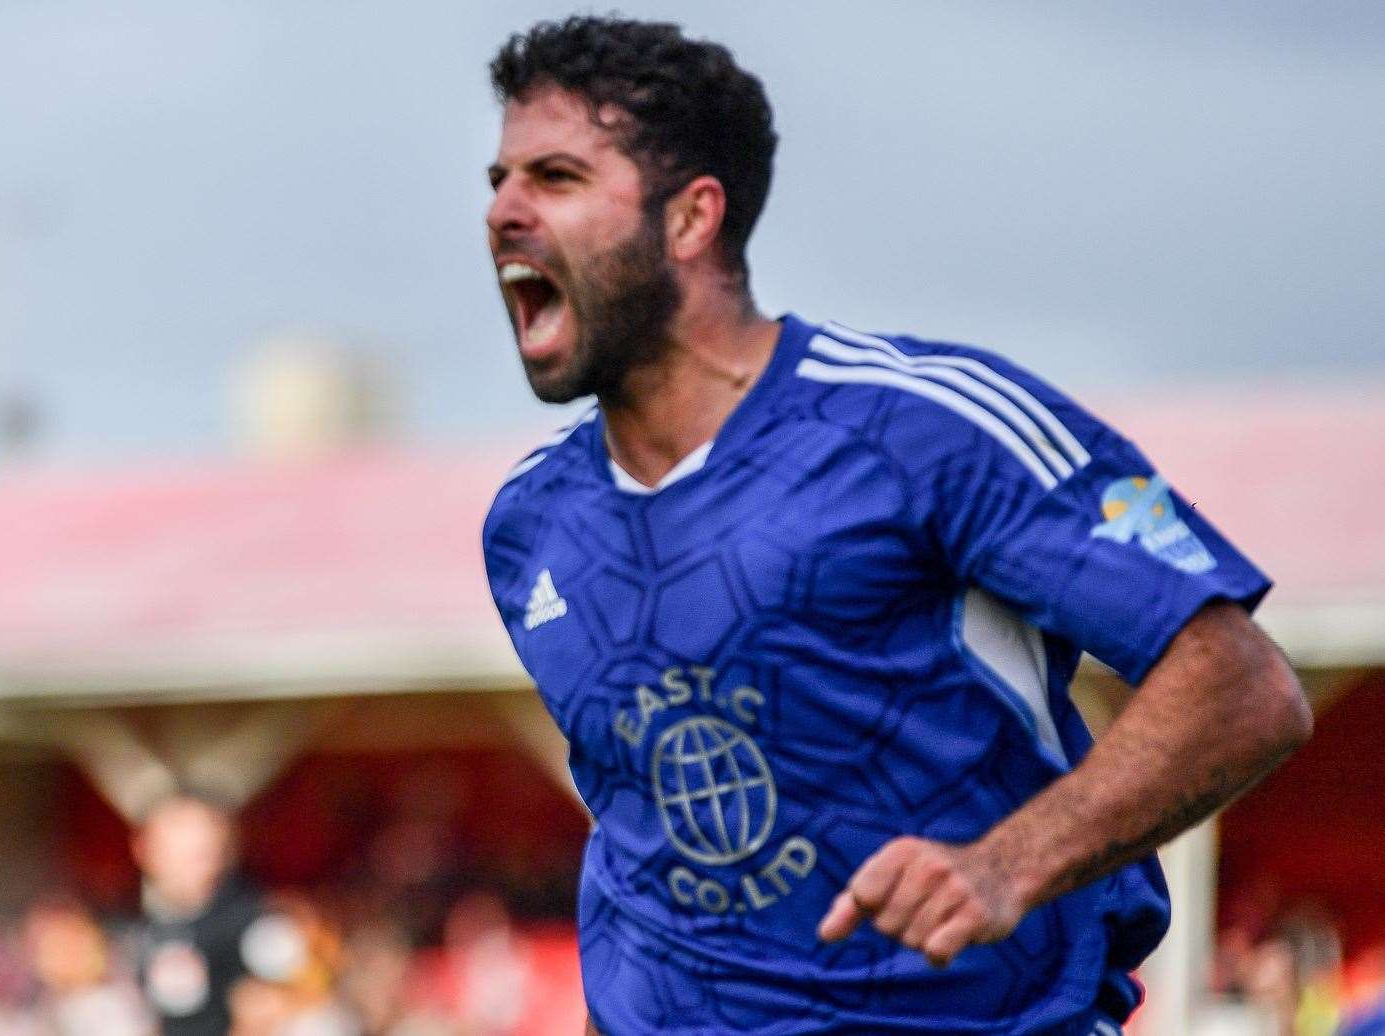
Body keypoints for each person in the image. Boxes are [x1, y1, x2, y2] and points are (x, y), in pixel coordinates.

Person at [479, 15, 1311, 1034]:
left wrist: (1010, 862)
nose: (504, 213)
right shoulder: (530, 525)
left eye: (555, 178)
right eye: (498, 182)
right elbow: (646, 840)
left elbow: (1242, 686)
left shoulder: (922, 430)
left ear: (691, 218)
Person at [131, 792, 263, 1036]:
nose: (197, 868)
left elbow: (269, 1011)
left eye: (202, 854)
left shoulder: (251, 924)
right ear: (144, 850)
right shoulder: (131, 923)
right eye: (179, 854)